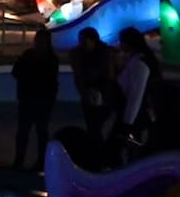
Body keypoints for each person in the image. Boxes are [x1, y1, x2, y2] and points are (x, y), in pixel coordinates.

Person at [107, 26, 163, 166]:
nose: (120, 45)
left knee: (122, 147)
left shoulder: (140, 63)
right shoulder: (139, 59)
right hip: (137, 115)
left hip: (136, 117)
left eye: (122, 42)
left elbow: (136, 95)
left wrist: (128, 123)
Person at [11, 28, 60, 171]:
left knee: (29, 132)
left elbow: (16, 72)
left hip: (33, 99)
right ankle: (35, 161)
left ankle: (23, 161)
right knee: (36, 132)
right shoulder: (49, 58)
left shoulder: (35, 56)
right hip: (37, 100)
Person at [69, 26, 116, 146]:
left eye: (84, 41)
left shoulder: (104, 55)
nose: (81, 44)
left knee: (94, 128)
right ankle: (99, 154)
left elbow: (109, 77)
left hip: (103, 96)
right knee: (93, 128)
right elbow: (78, 77)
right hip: (89, 96)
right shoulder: (78, 54)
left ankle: (99, 154)